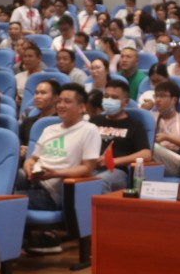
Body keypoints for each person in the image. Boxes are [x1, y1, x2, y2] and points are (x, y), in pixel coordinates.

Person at [20, 82, 103, 245]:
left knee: (7, 199)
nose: (61, 105)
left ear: (82, 107)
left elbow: (88, 168)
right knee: (7, 181)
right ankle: (36, 239)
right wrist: (28, 166)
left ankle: (8, 248)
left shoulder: (89, 130)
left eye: (67, 101)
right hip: (33, 179)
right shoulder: (49, 129)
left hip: (54, 191)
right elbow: (32, 159)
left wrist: (55, 174)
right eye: (59, 101)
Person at [90, 78, 153, 190]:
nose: (109, 100)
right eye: (106, 96)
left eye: (114, 97)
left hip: (117, 170)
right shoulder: (94, 121)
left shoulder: (134, 125)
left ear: (126, 102)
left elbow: (146, 154)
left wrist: (114, 161)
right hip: (91, 167)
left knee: (100, 181)